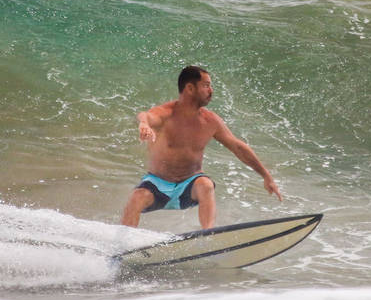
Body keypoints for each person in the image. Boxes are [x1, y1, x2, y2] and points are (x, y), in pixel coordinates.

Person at [120, 66, 282, 229]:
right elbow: (146, 115)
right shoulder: (166, 113)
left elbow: (237, 147)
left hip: (189, 186)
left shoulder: (210, 121)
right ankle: (124, 246)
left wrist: (266, 176)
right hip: (158, 184)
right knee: (137, 197)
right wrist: (144, 124)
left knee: (205, 185)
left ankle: (208, 236)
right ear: (190, 88)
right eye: (206, 85)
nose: (211, 91)